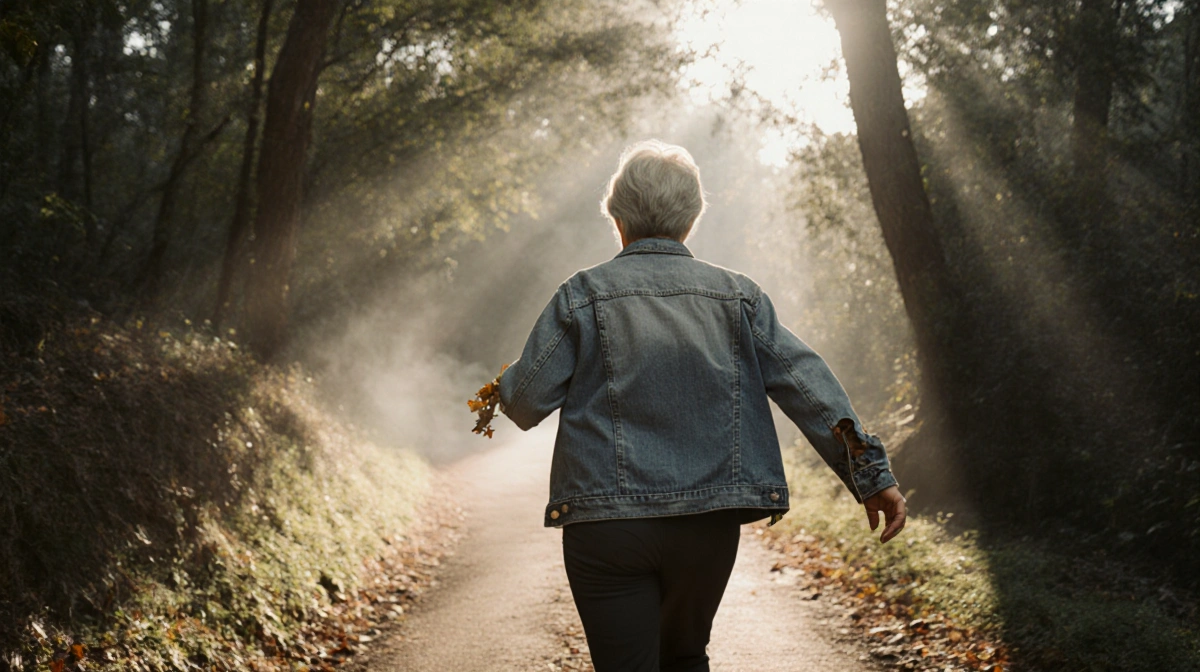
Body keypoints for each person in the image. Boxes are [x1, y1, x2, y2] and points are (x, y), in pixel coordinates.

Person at [497, 139, 906, 672]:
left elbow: (525, 401)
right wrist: (871, 476)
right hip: (707, 525)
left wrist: (506, 380)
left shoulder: (582, 295)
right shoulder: (738, 298)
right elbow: (805, 384)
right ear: (690, 220)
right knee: (686, 657)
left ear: (617, 218)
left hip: (608, 527)